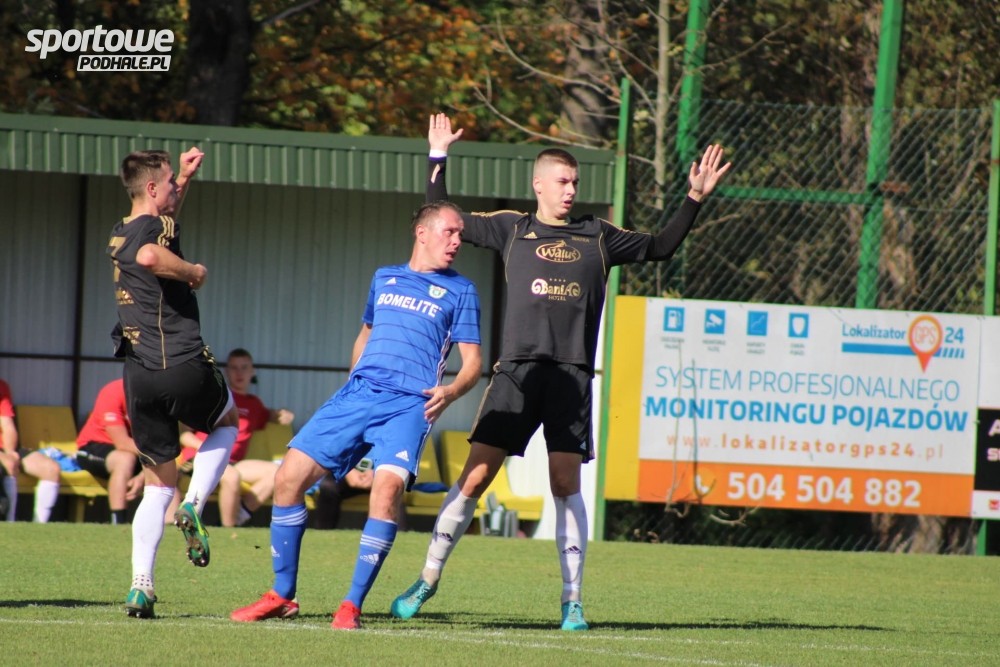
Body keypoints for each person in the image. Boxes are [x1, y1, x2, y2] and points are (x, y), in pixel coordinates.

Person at [390, 114, 732, 631]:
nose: (571, 191)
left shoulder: (598, 235)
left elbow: (661, 246)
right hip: (516, 374)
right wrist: (438, 156)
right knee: (475, 477)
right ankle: (427, 578)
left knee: (565, 483)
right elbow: (446, 217)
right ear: (539, 185)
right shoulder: (513, 228)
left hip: (571, 377)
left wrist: (695, 198)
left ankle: (572, 601)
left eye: (575, 182)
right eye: (563, 182)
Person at [230, 201, 482, 630]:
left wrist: (452, 391)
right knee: (288, 478)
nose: (458, 241)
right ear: (422, 233)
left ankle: (351, 604)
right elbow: (365, 333)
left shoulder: (462, 290)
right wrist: (353, 381)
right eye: (450, 232)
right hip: (358, 395)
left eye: (460, 234)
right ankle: (282, 594)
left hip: (409, 405)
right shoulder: (384, 277)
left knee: (385, 492)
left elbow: (474, 362)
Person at [108, 147, 240, 619]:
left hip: (137, 375)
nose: (172, 190)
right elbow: (152, 253)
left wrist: (183, 176)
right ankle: (196, 504)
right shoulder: (151, 234)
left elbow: (156, 227)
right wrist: (193, 273)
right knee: (228, 421)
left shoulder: (121, 230)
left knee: (157, 485)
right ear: (150, 188)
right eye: (167, 183)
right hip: (180, 361)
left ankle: (141, 586)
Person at [178, 348, 294, 527]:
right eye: (234, 368)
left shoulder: (254, 404)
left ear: (252, 371)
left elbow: (272, 415)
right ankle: (229, 529)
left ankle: (237, 518)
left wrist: (283, 415)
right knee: (231, 477)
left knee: (277, 473)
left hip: (231, 463)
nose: (239, 373)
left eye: (244, 367)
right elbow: (184, 435)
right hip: (201, 457)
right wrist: (208, 448)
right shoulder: (215, 397)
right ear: (226, 372)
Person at [75, 378, 144, 525]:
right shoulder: (114, 391)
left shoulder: (160, 396)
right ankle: (117, 522)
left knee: (171, 469)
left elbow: (164, 446)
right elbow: (122, 443)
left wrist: (144, 476)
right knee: (125, 459)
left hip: (140, 453)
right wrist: (157, 459)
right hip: (94, 447)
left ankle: (171, 527)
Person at [0, 378, 61, 522]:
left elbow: (8, 426)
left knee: (51, 469)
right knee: (9, 464)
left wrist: (10, 452)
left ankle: (38, 526)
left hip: (6, 448)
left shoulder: (2, 387)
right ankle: (9, 524)